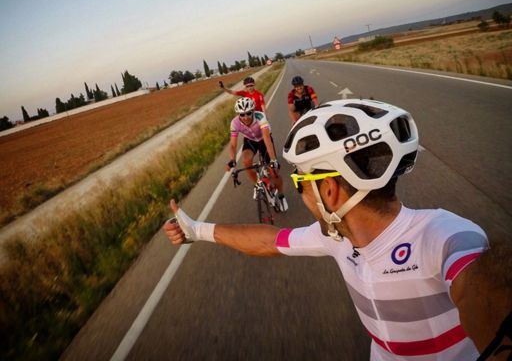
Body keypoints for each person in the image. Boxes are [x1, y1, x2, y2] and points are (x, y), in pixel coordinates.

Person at [163, 99, 512, 361]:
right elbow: (270, 240)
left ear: (328, 190)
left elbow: (488, 288)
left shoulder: (443, 236)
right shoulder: (335, 237)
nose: (300, 193)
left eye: (300, 183)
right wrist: (198, 231)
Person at [225, 96, 283, 197]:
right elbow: (233, 145)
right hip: (250, 141)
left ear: (253, 111)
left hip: (264, 139)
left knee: (274, 173)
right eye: (242, 114)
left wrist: (273, 159)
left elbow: (266, 138)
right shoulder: (235, 123)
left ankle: (281, 194)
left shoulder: (260, 116)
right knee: (246, 162)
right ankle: (258, 184)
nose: (246, 117)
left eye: (248, 113)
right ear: (238, 114)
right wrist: (232, 159)